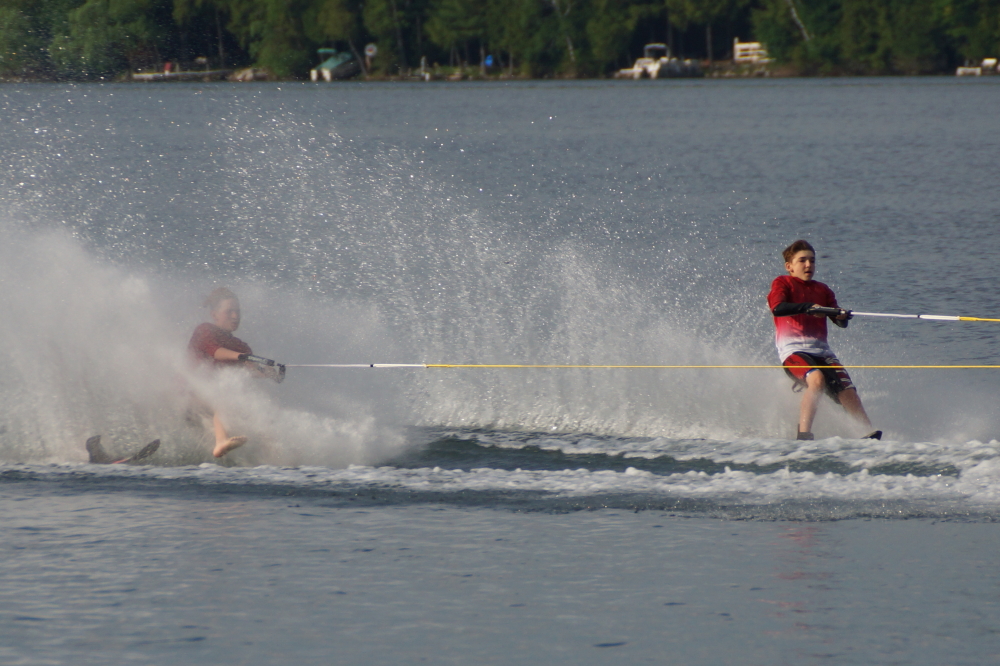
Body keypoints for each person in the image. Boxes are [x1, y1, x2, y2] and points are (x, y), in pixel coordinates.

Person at [767, 240, 881, 441]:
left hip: (823, 352)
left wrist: (841, 317)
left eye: (812, 261)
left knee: (847, 390)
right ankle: (803, 434)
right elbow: (778, 308)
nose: (809, 265)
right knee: (817, 380)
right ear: (789, 266)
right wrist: (807, 307)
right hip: (793, 352)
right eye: (802, 261)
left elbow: (839, 324)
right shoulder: (782, 283)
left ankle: (867, 434)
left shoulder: (824, 290)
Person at [187, 287, 255, 458]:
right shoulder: (205, 330)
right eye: (229, 311)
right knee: (224, 394)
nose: (235, 316)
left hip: (212, 407)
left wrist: (270, 371)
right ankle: (221, 442)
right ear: (214, 314)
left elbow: (251, 371)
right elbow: (215, 351)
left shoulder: (241, 346)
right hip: (189, 399)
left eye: (238, 311)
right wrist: (241, 357)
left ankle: (283, 463)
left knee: (256, 412)